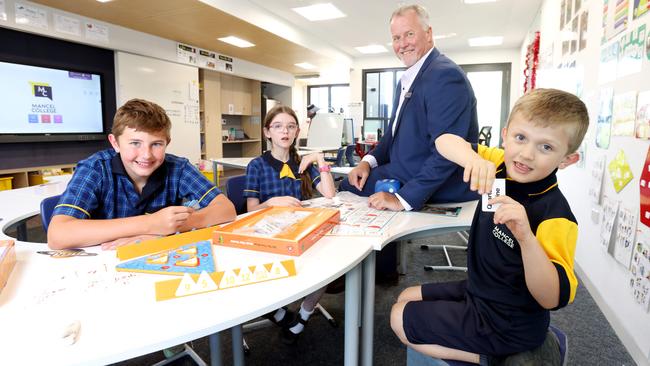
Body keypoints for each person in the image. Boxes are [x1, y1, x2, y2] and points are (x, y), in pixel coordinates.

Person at [390, 88, 589, 365]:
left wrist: (526, 239)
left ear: (567, 159)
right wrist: (472, 159)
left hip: (509, 321)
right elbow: (444, 141)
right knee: (405, 295)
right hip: (480, 289)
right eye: (521, 138)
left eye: (546, 147)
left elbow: (550, 297)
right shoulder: (499, 165)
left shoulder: (555, 215)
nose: (527, 154)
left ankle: (492, 358)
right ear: (506, 135)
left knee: (398, 318)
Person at [340, 4, 479, 281]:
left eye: (409, 34)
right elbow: (392, 135)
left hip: (439, 178)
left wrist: (402, 199)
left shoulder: (444, 75)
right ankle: (381, 268)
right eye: (396, 38)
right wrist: (367, 162)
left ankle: (366, 272)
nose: (402, 44)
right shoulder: (409, 77)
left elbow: (445, 154)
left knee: (348, 188)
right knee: (353, 179)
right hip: (407, 167)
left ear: (429, 34)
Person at [47, 98, 236, 250]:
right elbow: (58, 235)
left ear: (167, 143)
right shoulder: (95, 168)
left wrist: (166, 229)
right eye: (135, 143)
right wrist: (151, 224)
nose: (146, 154)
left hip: (156, 255)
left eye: (156, 144)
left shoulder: (178, 168)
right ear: (115, 143)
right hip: (105, 261)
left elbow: (226, 209)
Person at [244, 105, 336, 343]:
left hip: (299, 231)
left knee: (328, 265)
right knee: (250, 279)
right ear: (267, 132)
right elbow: (250, 211)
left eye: (290, 126)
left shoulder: (301, 162)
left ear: (296, 132)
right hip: (268, 235)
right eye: (277, 126)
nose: (284, 131)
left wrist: (318, 158)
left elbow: (329, 193)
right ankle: (281, 313)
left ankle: (302, 317)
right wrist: (272, 202)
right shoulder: (257, 165)